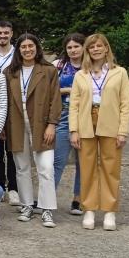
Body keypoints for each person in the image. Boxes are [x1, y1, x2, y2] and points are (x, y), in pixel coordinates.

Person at [69, 34, 129, 231]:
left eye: (99, 46)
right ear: (87, 50)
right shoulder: (81, 75)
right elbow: (74, 105)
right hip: (86, 122)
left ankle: (109, 210)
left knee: (110, 168)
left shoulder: (119, 72)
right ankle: (89, 209)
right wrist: (73, 130)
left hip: (110, 122)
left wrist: (123, 131)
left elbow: (126, 104)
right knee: (87, 168)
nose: (95, 49)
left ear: (106, 48)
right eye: (91, 47)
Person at [4, 33, 61, 227]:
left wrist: (52, 124)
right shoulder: (10, 72)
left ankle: (47, 209)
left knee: (46, 168)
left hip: (42, 124)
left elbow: (55, 99)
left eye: (31, 46)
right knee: (22, 168)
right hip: (17, 124)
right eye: (23, 47)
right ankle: (26, 205)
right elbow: (5, 101)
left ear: (37, 48)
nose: (27, 50)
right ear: (18, 50)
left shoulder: (48, 70)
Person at [53, 33, 85, 214]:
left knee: (83, 162)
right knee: (58, 160)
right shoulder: (59, 65)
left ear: (83, 47)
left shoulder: (91, 66)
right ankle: (48, 198)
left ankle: (77, 199)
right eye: (69, 47)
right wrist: (70, 90)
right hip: (64, 115)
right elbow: (50, 90)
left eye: (76, 46)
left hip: (86, 117)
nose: (73, 50)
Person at [0, 20, 18, 203]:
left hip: (15, 107)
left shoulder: (18, 55)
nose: (2, 36)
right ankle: (0, 185)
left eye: (6, 33)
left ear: (11, 34)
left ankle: (14, 188)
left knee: (13, 149)